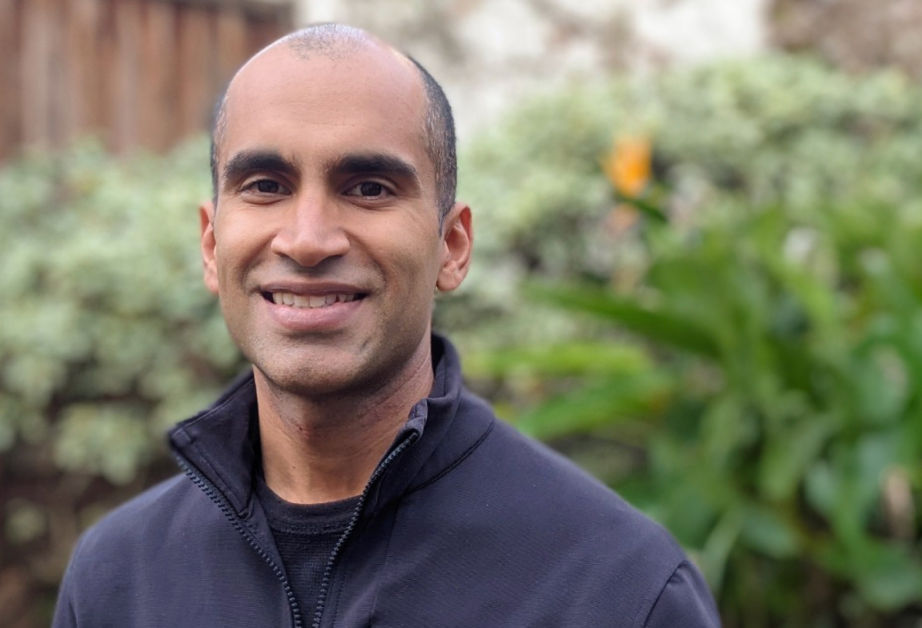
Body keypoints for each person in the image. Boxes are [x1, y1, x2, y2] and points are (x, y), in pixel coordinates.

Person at [52, 24, 720, 628]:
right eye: (265, 185)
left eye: (368, 187)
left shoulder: (618, 590)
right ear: (209, 244)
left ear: (452, 247)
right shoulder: (120, 580)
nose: (308, 240)